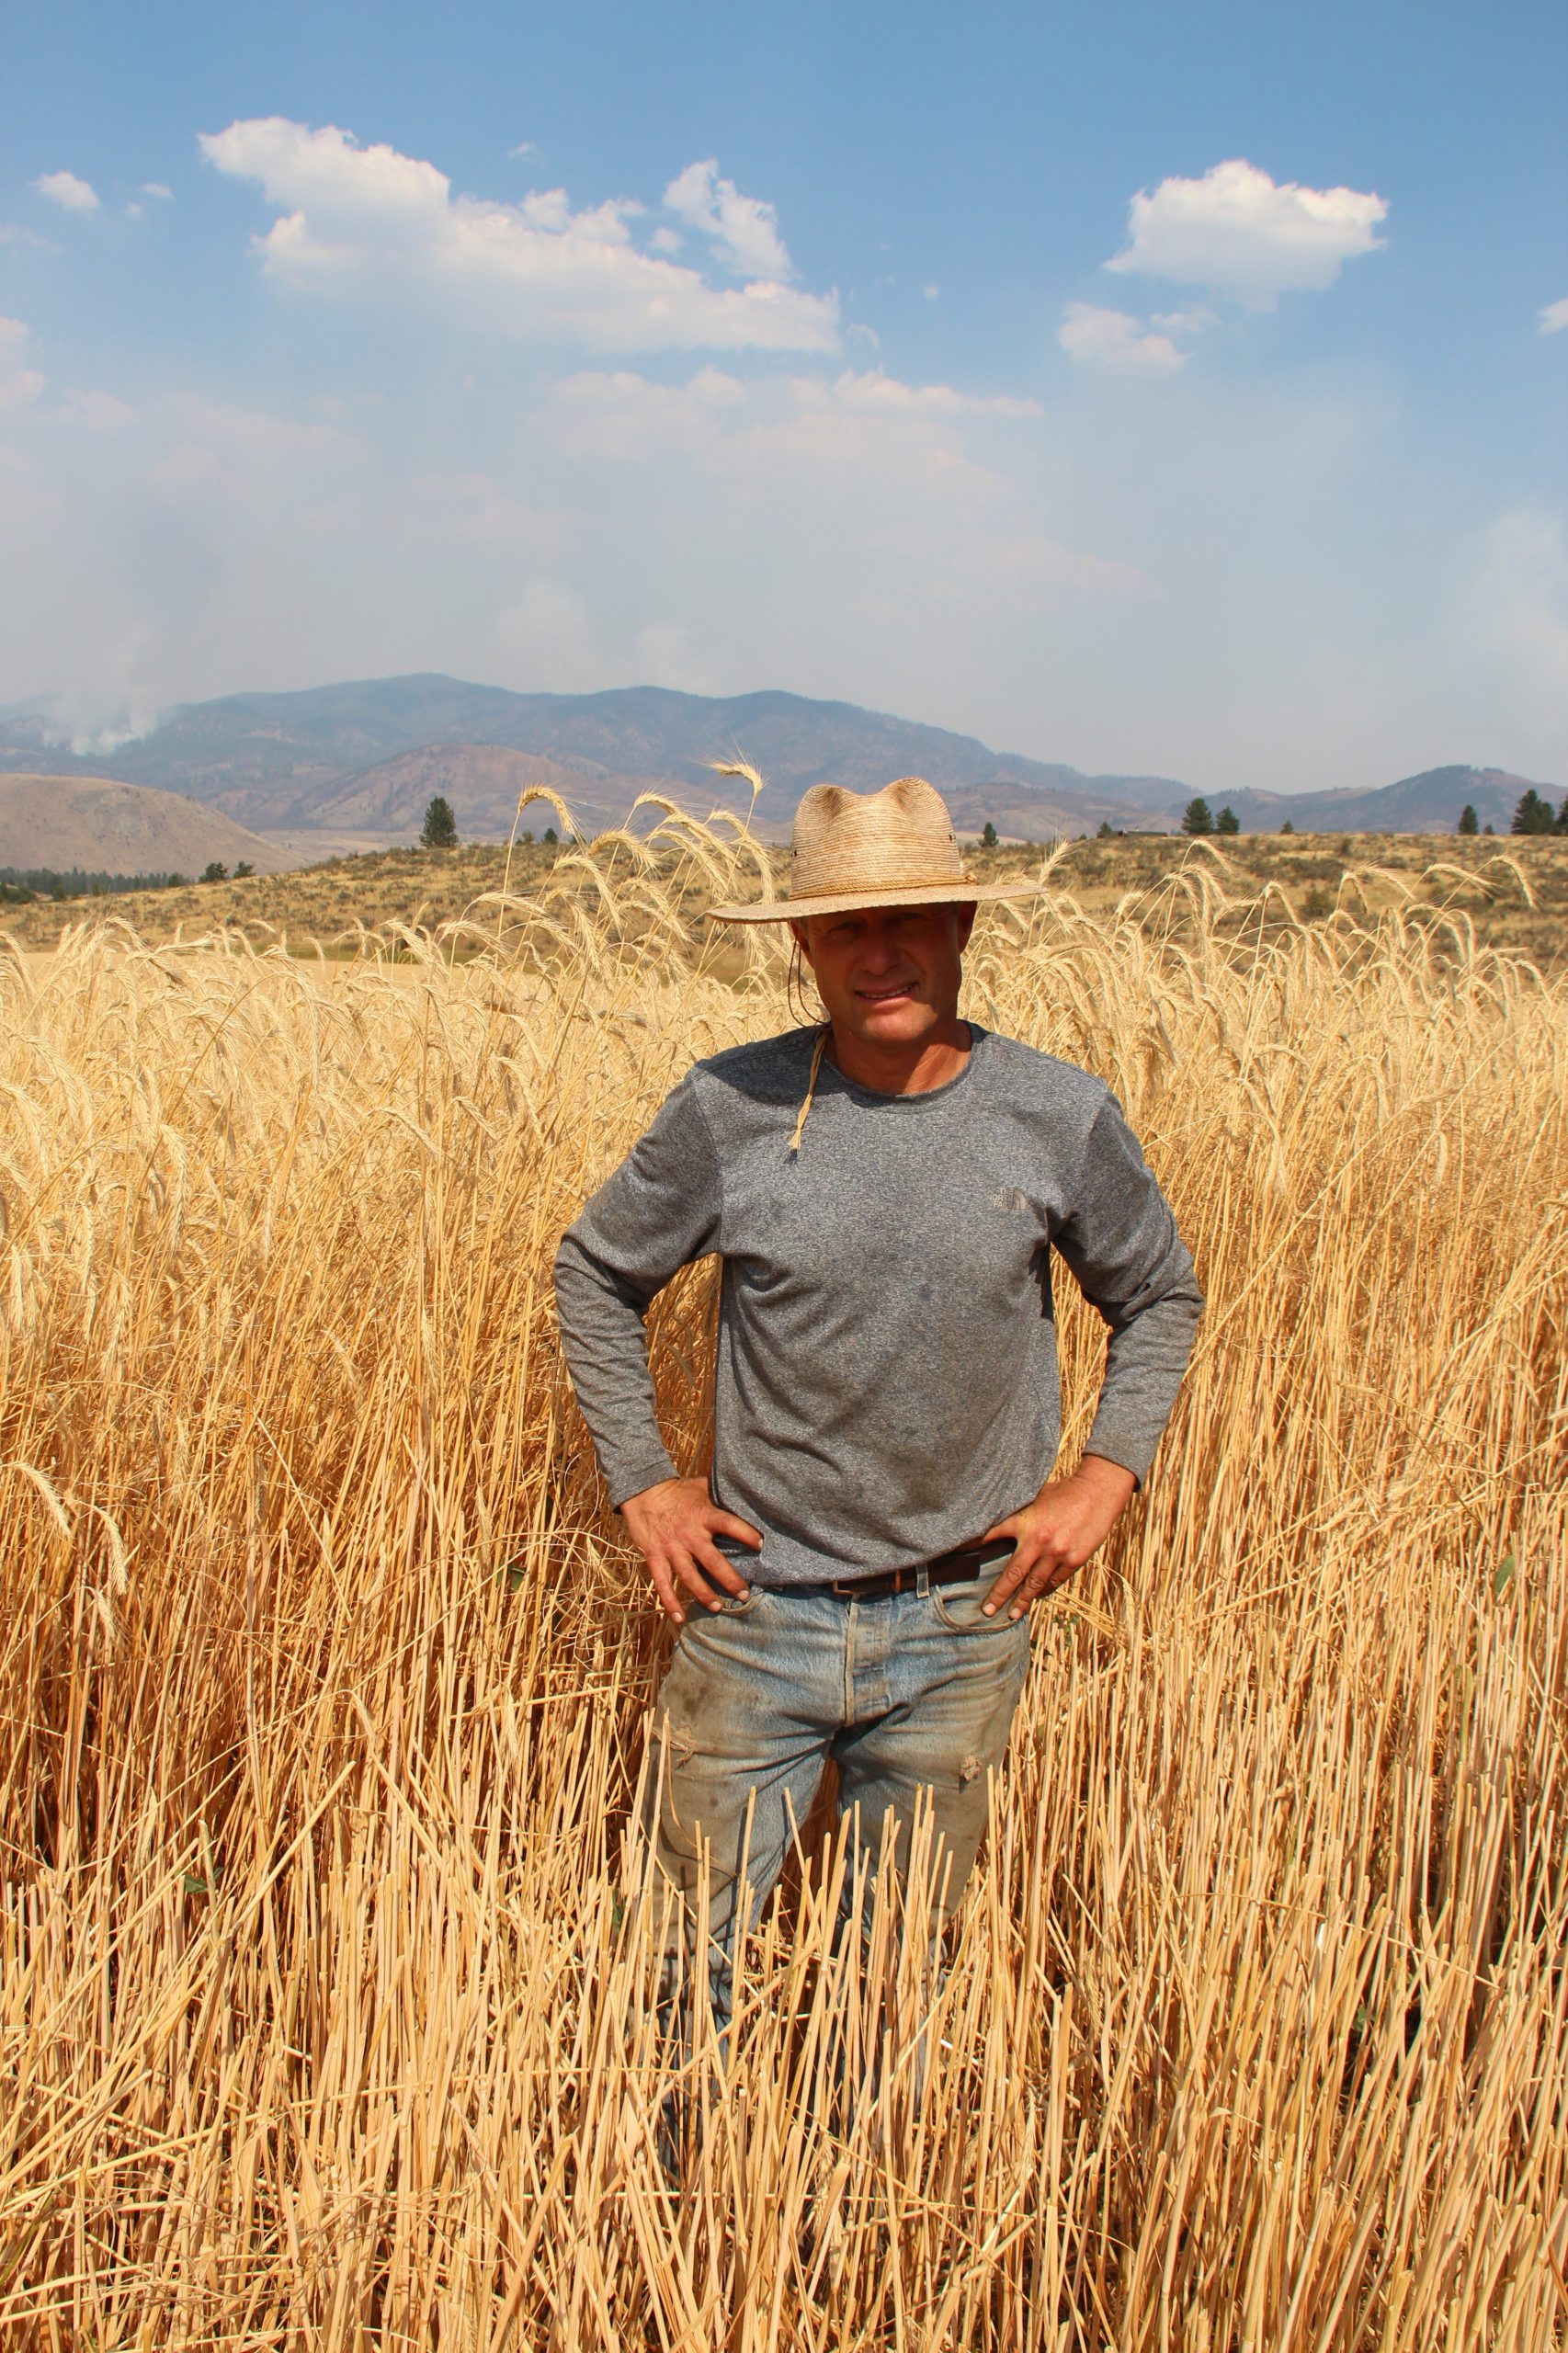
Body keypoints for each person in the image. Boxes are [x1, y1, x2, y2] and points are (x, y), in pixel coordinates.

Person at [553, 776, 1202, 2029]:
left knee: (891, 1980)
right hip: (755, 1615)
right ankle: (681, 2209)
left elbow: (1159, 1294)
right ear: (801, 943)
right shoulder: (728, 1108)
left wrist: (1103, 1476)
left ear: (962, 927)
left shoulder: (1054, 1116)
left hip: (964, 1621)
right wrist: (641, 1477)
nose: (880, 951)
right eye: (845, 926)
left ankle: (849, 2216)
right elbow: (593, 1270)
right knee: (675, 1978)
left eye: (909, 919)